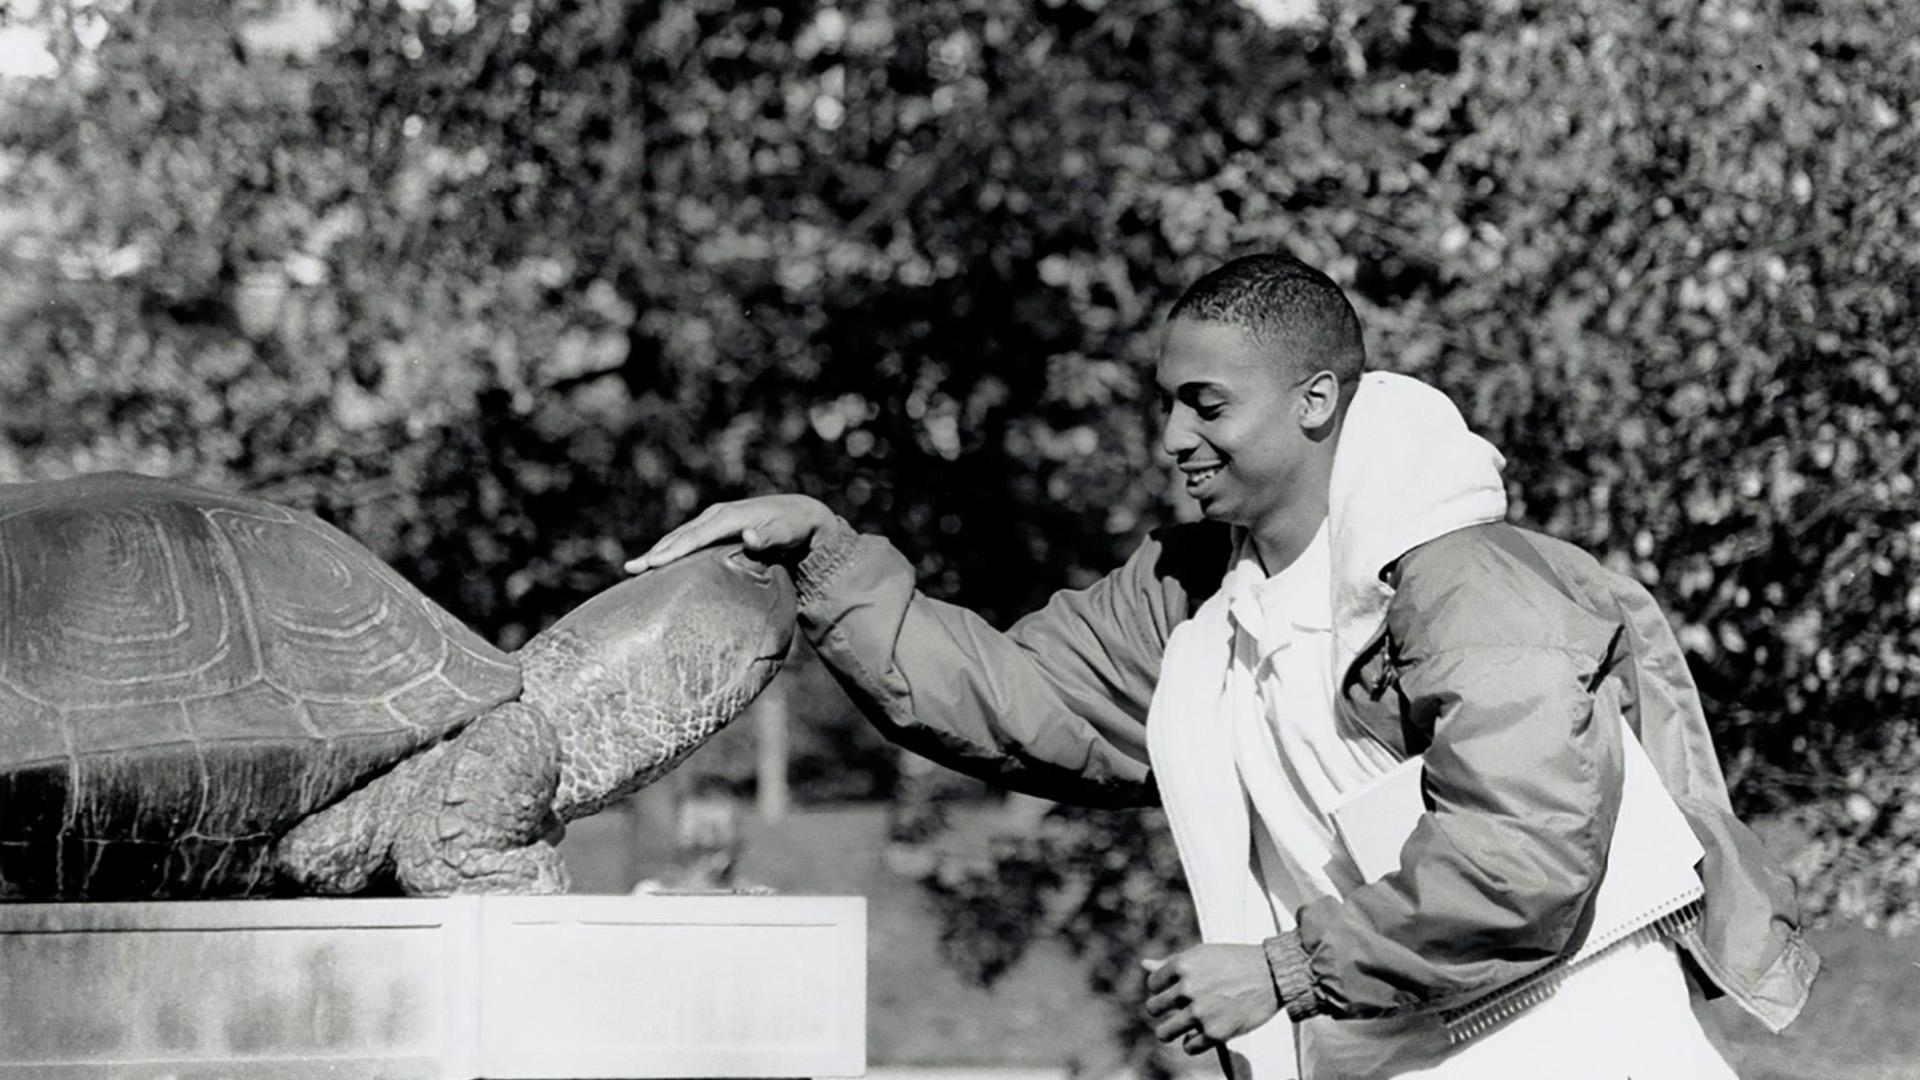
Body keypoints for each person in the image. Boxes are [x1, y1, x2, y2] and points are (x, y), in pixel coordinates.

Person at [626, 254, 1817, 1079]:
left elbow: (1525, 857)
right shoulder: (1195, 594)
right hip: (1373, 1049)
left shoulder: (1473, 584)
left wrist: (1288, 970)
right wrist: (826, 558)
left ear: (1315, 399)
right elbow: (1013, 701)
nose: (1173, 439)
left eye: (1205, 404)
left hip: (1570, 1045)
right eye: (1165, 405)